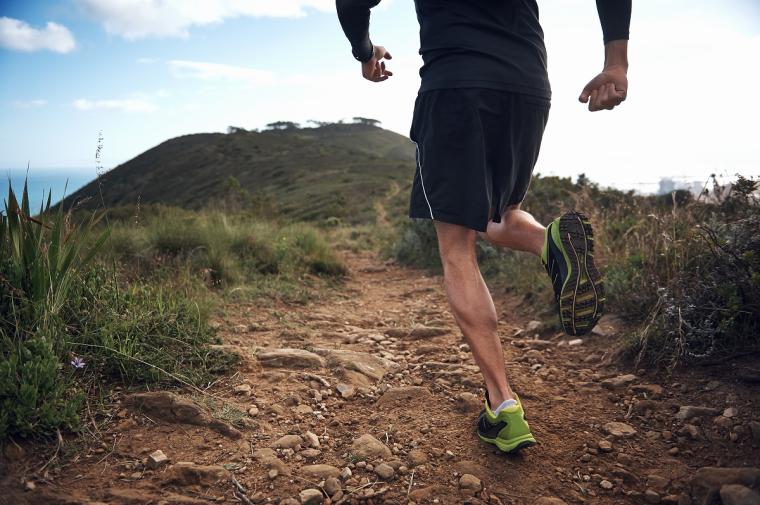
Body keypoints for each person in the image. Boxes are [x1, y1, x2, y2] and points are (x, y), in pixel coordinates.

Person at [336, 0, 631, 453]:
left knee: (457, 248)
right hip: (527, 85)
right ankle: (548, 241)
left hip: (455, 87)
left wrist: (364, 51)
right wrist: (616, 63)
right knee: (501, 213)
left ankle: (503, 405)